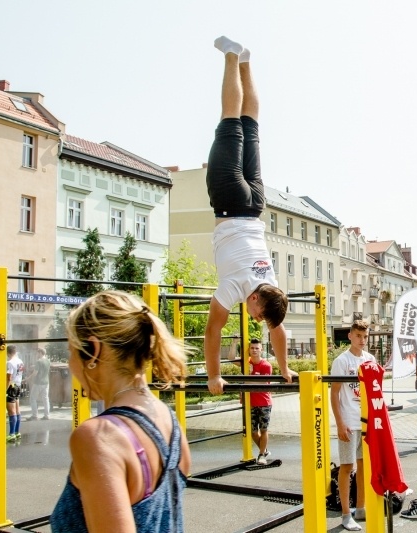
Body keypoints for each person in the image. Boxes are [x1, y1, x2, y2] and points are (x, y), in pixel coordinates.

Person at [50, 291, 191, 532]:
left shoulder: (98, 438)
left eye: (71, 351)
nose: (71, 363)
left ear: (93, 349)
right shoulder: (170, 424)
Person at [202, 36, 292, 396]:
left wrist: (285, 368)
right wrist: (213, 376)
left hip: (255, 206)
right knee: (230, 122)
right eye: (257, 315)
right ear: (255, 300)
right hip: (229, 202)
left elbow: (277, 329)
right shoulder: (236, 287)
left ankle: (246, 62)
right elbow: (212, 330)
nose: (256, 319)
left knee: (250, 127)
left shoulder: (270, 283)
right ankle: (230, 55)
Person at [330, 319, 376, 531]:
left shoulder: (370, 359)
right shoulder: (342, 361)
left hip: (365, 421)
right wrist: (339, 423)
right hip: (349, 421)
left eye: (365, 336)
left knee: (364, 466)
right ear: (350, 336)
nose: (362, 340)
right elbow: (334, 393)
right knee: (347, 467)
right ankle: (346, 514)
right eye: (358, 336)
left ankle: (361, 508)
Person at [247, 339, 273, 465]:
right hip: (250, 402)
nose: (254, 350)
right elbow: (230, 358)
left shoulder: (266, 365)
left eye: (257, 348)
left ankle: (261, 455)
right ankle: (265, 450)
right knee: (252, 432)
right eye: (252, 348)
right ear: (249, 349)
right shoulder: (246, 362)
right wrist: (234, 343)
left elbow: (263, 382)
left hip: (264, 402)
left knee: (263, 430)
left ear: (261, 350)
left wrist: (248, 378)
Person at [6, 345, 25, 441]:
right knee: (17, 410)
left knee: (11, 411)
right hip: (18, 386)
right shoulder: (20, 361)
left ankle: (12, 434)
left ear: (7, 353)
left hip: (11, 387)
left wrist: (5, 389)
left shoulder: (9, 362)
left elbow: (9, 377)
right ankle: (17, 432)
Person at [28, 347, 51, 421]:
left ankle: (34, 415)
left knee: (33, 398)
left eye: (37, 353)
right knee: (45, 399)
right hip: (46, 382)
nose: (36, 354)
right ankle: (47, 415)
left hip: (38, 382)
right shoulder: (48, 361)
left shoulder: (38, 361)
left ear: (40, 353)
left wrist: (28, 378)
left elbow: (35, 373)